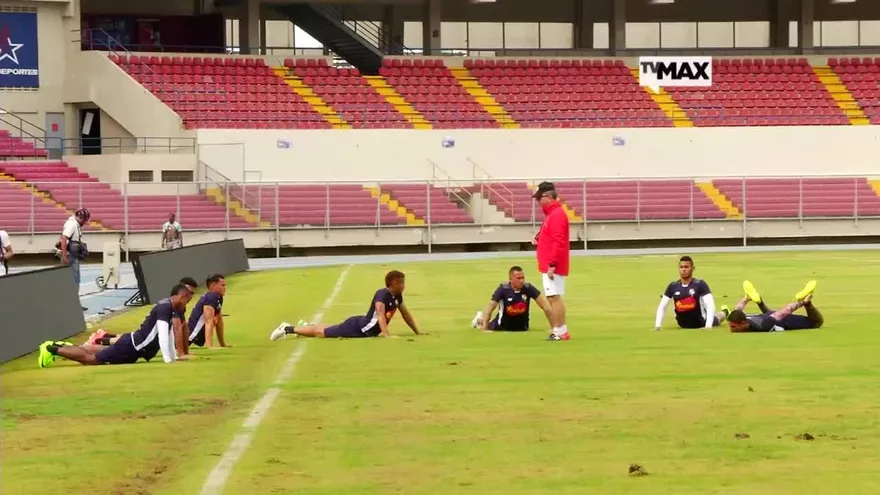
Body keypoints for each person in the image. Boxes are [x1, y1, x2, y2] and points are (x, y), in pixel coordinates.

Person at [37, 284, 194, 368]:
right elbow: (162, 336)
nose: (186, 304)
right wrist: (168, 361)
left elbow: (168, 334)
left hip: (132, 345)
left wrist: (173, 357)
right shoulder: (165, 307)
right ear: (182, 296)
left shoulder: (168, 306)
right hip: (131, 347)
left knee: (98, 351)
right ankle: (51, 349)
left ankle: (59, 346)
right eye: (187, 300)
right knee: (91, 360)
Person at [269, 270, 423, 339]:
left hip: (360, 325)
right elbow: (380, 316)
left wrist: (418, 332)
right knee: (320, 333)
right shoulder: (382, 294)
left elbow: (406, 314)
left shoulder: (397, 296)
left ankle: (304, 326)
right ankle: (287, 329)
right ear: (393, 283)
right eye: (401, 283)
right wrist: (387, 335)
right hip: (358, 329)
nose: (404, 285)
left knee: (326, 329)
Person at [87, 277, 199, 357]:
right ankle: (99, 340)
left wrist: (185, 352)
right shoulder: (169, 306)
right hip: (138, 343)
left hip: (138, 341)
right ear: (181, 292)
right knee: (119, 347)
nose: (190, 296)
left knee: (124, 343)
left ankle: (102, 338)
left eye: (192, 294)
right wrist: (181, 354)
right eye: (189, 293)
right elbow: (177, 329)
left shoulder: (179, 306)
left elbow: (183, 328)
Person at [531, 181, 571, 341]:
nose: (538, 202)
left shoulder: (556, 215)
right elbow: (551, 235)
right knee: (553, 296)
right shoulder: (553, 214)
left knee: (554, 296)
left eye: (539, 198)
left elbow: (558, 240)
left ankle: (560, 331)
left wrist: (552, 264)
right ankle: (560, 329)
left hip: (552, 264)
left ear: (547, 196)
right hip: (550, 262)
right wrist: (538, 237)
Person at [654, 256, 728, 330]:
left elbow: (710, 305)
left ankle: (725, 312)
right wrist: (658, 325)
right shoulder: (673, 286)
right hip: (682, 324)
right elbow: (662, 306)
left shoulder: (700, 284)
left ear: (692, 268)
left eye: (686, 267)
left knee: (717, 318)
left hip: (701, 322)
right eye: (681, 267)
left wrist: (708, 326)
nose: (683, 269)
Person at [471, 265, 553, 332]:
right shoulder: (503, 289)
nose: (521, 281)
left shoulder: (528, 288)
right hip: (502, 326)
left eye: (522, 278)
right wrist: (484, 329)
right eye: (518, 278)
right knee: (486, 324)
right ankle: (479, 320)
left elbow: (545, 306)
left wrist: (554, 327)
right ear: (510, 279)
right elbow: (491, 306)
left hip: (522, 328)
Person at [727, 280, 822, 333]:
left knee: (817, 322)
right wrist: (745, 299)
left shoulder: (763, 326)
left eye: (733, 326)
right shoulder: (744, 318)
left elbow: (783, 312)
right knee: (769, 314)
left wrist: (802, 302)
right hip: (768, 315)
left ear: (743, 323)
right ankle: (758, 300)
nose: (730, 329)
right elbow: (737, 310)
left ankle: (807, 301)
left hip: (786, 320)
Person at [186, 274, 228, 351]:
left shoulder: (218, 297)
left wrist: (223, 344)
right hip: (190, 335)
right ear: (212, 286)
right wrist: (210, 346)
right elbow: (208, 321)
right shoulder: (211, 297)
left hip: (193, 334)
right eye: (222, 285)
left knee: (216, 319)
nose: (225, 288)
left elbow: (219, 320)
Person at [59, 208, 90, 310]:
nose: (85, 223)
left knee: (74, 280)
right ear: (82, 218)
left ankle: (72, 304)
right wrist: (64, 256)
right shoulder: (72, 224)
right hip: (70, 256)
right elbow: (64, 238)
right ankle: (72, 305)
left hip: (71, 256)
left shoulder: (74, 224)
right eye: (85, 221)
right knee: (74, 281)